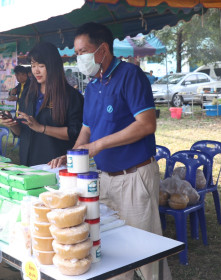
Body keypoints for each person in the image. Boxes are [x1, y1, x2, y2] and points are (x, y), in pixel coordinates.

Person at [49, 22, 171, 280]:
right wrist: (72, 155)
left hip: (134, 176)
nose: (79, 57)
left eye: (83, 51)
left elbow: (147, 124)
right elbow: (87, 129)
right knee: (112, 249)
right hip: (104, 179)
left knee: (145, 250)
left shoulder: (130, 75)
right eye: (77, 52)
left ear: (102, 50)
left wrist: (99, 145)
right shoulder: (92, 86)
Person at [0, 42, 83, 166]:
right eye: (33, 66)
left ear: (53, 66)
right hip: (28, 162)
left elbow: (74, 133)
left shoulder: (71, 96)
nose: (36, 71)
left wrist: (42, 128)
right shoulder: (28, 93)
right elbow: (21, 132)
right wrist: (12, 124)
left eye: (41, 65)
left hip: (54, 164)